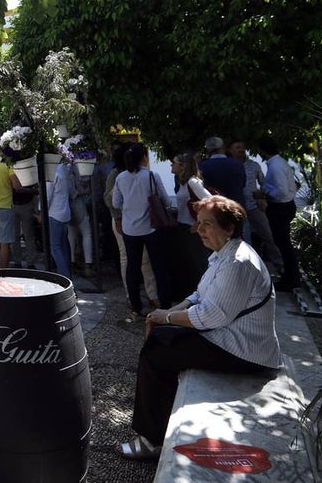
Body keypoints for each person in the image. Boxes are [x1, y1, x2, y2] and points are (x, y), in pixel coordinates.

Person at [119, 195, 283, 459]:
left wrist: (168, 318)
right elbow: (199, 295)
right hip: (229, 336)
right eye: (199, 224)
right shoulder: (225, 253)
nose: (199, 230)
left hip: (244, 350)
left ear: (229, 228)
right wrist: (169, 312)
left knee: (156, 355)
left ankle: (152, 440)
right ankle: (159, 414)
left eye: (207, 224)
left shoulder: (236, 262)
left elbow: (211, 316)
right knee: (159, 340)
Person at [112, 143, 174, 315]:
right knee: (159, 267)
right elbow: (165, 200)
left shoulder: (121, 178)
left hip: (130, 229)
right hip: (151, 228)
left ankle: (136, 305)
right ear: (144, 158)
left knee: (132, 266)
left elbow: (116, 203)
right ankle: (165, 304)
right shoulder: (151, 176)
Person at [228, 139, 285, 277]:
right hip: (237, 208)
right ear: (230, 150)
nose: (241, 150)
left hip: (254, 206)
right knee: (245, 240)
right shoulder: (228, 166)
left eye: (242, 147)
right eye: (237, 147)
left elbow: (263, 183)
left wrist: (261, 196)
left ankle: (281, 266)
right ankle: (250, 271)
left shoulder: (253, 165)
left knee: (269, 236)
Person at [259, 136, 303, 290]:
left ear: (263, 151)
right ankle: (291, 277)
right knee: (283, 244)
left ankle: (291, 279)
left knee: (283, 245)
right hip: (285, 206)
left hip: (281, 207)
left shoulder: (276, 166)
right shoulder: (280, 163)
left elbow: (281, 192)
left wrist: (264, 193)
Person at [169, 153, 211, 300]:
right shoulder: (182, 181)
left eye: (174, 162)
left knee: (197, 264)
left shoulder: (193, 182)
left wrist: (198, 223)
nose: (171, 165)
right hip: (182, 227)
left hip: (191, 230)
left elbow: (209, 201)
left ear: (183, 165)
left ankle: (203, 297)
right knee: (187, 264)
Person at [45, 159, 75, 278]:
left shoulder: (52, 172)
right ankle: (68, 274)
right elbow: (72, 191)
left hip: (54, 213)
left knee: (55, 248)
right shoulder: (65, 169)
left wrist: (40, 212)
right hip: (65, 212)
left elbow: (47, 196)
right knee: (63, 246)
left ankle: (64, 276)